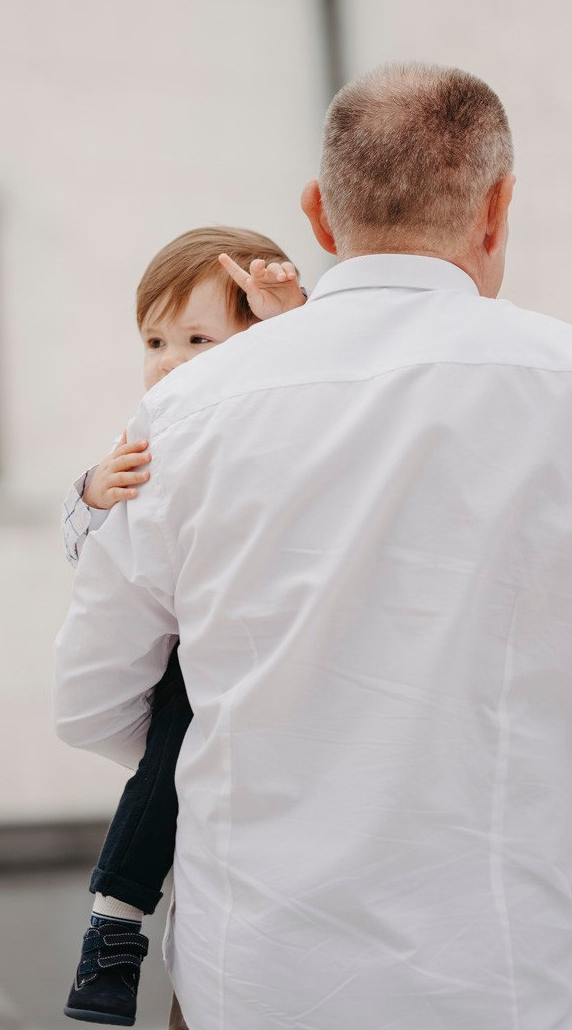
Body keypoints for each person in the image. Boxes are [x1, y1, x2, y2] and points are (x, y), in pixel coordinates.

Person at [54, 63, 572, 1030]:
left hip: (254, 979)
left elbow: (90, 701)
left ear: (320, 217)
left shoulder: (186, 411)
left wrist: (264, 731)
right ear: (498, 208)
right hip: (513, 977)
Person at [61, 225, 306, 1025]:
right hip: (195, 655)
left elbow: (310, 389)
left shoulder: (283, 413)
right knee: (171, 749)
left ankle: (118, 918)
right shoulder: (149, 438)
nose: (170, 361)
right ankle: (114, 922)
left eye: (199, 339)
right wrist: (92, 495)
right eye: (155, 341)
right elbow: (97, 565)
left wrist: (291, 318)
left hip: (283, 643)